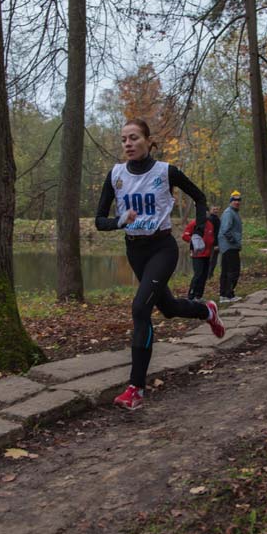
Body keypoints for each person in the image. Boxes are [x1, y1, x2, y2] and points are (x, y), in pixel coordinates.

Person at [95, 119, 226, 411]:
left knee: (140, 309)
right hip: (135, 250)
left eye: (133, 138)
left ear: (147, 140)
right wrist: (119, 221)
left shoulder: (166, 171)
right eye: (123, 139)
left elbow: (199, 197)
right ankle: (207, 311)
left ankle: (135, 389)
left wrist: (199, 231)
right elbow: (99, 221)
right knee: (167, 308)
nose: (128, 144)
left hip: (162, 248)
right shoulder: (115, 175)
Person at [182, 214, 215, 300]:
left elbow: (211, 238)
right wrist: (195, 241)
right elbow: (185, 236)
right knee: (198, 275)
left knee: (204, 276)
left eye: (206, 212)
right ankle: (191, 296)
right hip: (197, 255)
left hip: (207, 254)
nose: (205, 214)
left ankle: (199, 296)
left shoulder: (210, 224)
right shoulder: (194, 223)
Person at [218, 191, 243, 302]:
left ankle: (223, 295)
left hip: (227, 247)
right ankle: (229, 295)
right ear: (230, 202)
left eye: (238, 200)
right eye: (234, 200)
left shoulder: (233, 212)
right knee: (233, 271)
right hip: (230, 247)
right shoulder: (229, 213)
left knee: (226, 271)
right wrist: (234, 242)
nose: (237, 202)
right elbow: (225, 230)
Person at [207, 205, 222, 280]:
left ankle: (210, 274)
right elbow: (213, 233)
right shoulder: (211, 219)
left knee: (214, 260)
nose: (215, 210)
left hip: (216, 242)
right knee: (212, 260)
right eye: (214, 209)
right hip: (212, 243)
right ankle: (208, 275)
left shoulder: (217, 219)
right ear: (210, 210)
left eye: (216, 209)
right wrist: (215, 244)